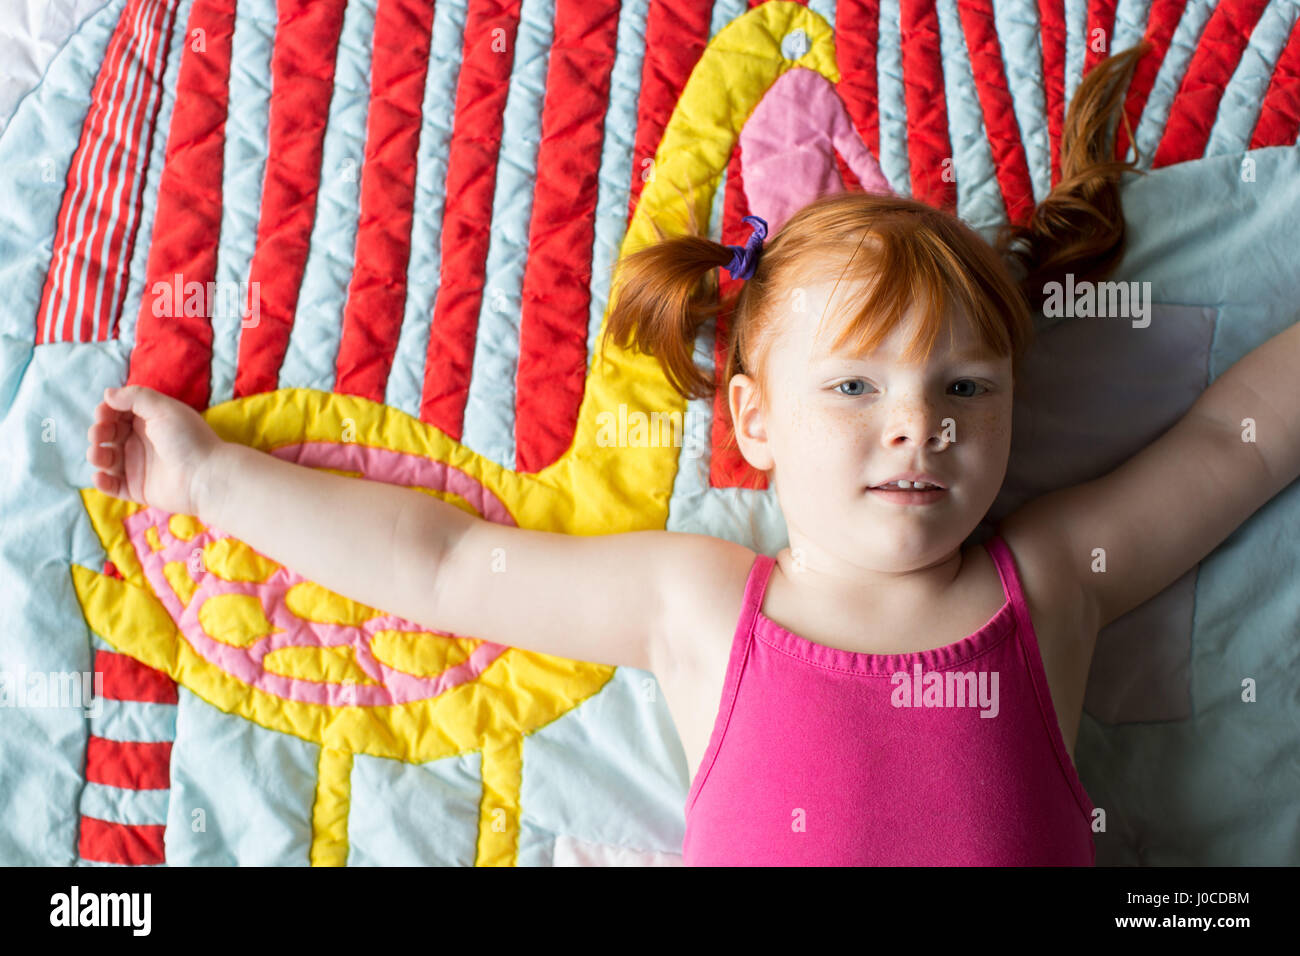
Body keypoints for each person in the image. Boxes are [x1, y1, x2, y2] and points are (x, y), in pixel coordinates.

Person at [85, 42, 1300, 865]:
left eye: (965, 388)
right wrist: (205, 481)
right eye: (855, 385)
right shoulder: (699, 602)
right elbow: (447, 565)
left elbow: (1230, 446)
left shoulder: (1052, 579)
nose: (916, 422)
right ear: (753, 421)